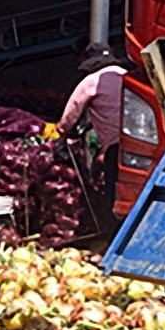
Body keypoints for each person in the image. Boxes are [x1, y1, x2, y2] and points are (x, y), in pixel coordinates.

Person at [56, 41, 127, 212]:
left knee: (112, 185)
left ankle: (111, 226)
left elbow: (71, 114)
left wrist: (61, 130)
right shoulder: (126, 75)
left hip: (114, 145)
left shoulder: (91, 81)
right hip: (138, 141)